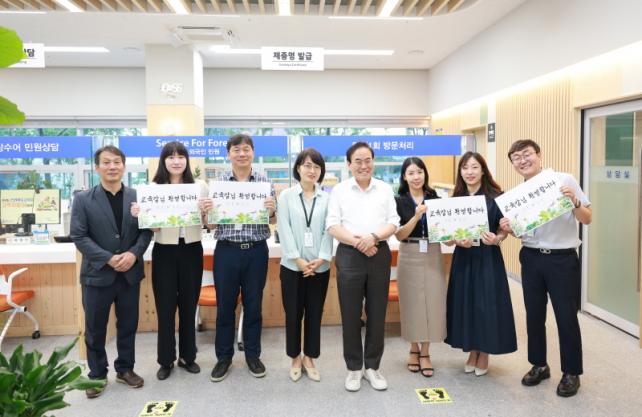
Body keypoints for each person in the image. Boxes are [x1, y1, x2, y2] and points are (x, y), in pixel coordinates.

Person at [500, 139, 591, 397]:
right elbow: (522, 233)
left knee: (566, 316)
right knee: (534, 315)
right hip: (531, 258)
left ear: (539, 155)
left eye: (526, 154)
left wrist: (575, 202)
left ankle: (571, 372)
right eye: (516, 158)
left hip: (562, 259)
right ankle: (539, 365)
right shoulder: (518, 197)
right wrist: (510, 228)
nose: (522, 160)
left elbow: (588, 218)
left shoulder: (564, 180)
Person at [71, 145, 152, 398]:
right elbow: (79, 236)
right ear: (97, 168)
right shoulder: (83, 199)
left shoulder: (138, 196)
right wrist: (108, 258)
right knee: (95, 328)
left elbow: (146, 230)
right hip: (97, 274)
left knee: (128, 325)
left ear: (124, 166)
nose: (112, 167)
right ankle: (96, 374)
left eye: (117, 162)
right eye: (106, 162)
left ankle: (125, 369)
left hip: (129, 273)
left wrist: (133, 254)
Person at [130, 141, 211, 380]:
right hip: (164, 251)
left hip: (192, 249)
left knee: (188, 306)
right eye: (171, 157)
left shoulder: (200, 186)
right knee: (165, 308)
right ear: (163, 161)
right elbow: (153, 227)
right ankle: (165, 360)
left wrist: (206, 210)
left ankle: (188, 357)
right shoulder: (153, 188)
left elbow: (208, 222)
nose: (176, 161)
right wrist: (141, 215)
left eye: (181, 157)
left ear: (187, 160)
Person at [326, 141, 400, 392]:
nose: (363, 165)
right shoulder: (339, 190)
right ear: (349, 164)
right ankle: (354, 369)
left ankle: (373, 367)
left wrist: (374, 238)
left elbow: (394, 222)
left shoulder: (384, 189)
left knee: (377, 313)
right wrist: (360, 242)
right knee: (350, 315)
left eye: (367, 160)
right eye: (357, 161)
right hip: (349, 255)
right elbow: (332, 225)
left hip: (379, 253)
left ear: (373, 162)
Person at [208, 133, 277, 382]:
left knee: (253, 306)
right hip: (226, 251)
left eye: (246, 149)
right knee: (225, 307)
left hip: (256, 251)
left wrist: (272, 210)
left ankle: (252, 356)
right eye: (236, 150)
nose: (241, 154)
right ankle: (223, 358)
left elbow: (271, 219)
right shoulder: (218, 184)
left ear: (253, 152)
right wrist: (207, 213)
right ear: (229, 154)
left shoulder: (264, 183)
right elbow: (212, 225)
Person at [444, 152, 517, 376]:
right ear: (460, 172)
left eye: (475, 167)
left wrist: (497, 238)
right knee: (466, 303)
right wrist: (456, 240)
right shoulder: (455, 199)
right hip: (463, 258)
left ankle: (484, 352)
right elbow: (446, 237)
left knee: (486, 304)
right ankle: (472, 350)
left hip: (488, 257)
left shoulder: (497, 197)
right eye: (465, 168)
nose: (470, 172)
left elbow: (504, 230)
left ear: (483, 170)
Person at [277, 148, 333, 382]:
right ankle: (295, 358)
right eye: (308, 165)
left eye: (317, 166)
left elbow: (330, 230)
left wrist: (322, 257)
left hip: (319, 268)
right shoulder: (286, 196)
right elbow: (284, 228)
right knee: (293, 314)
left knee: (314, 314)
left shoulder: (327, 199)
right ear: (298, 168)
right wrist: (297, 260)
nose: (312, 170)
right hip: (292, 268)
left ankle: (310, 357)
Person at [393, 157, 446, 378]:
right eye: (411, 173)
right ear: (404, 177)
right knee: (412, 303)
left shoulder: (436, 198)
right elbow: (399, 234)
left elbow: (444, 230)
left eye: (420, 172)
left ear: (425, 174)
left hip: (432, 251)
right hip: (409, 251)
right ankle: (413, 349)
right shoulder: (398, 201)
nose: (416, 177)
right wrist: (416, 217)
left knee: (433, 303)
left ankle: (425, 353)